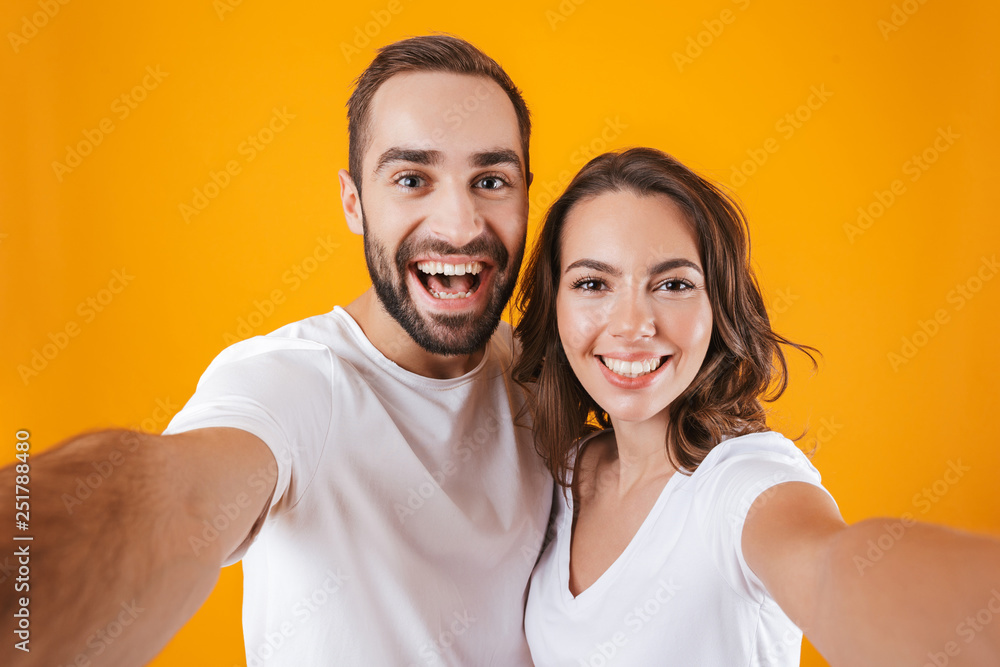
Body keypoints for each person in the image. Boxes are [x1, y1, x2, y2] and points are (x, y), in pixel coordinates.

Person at [1, 35, 551, 666]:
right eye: (411, 178)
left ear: (525, 195)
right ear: (354, 202)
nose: (458, 225)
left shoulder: (542, 374)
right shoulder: (293, 385)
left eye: (490, 180)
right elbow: (165, 504)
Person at [513, 147, 1000, 666]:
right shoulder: (562, 471)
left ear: (718, 307)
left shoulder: (739, 481)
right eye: (592, 283)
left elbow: (830, 570)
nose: (633, 325)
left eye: (674, 284)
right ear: (556, 302)